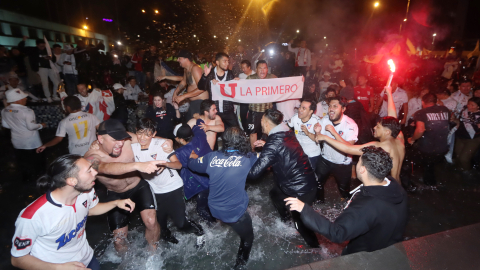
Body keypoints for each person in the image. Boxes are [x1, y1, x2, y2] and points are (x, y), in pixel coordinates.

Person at [11, 155, 135, 270]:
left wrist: (115, 203)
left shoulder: (86, 192)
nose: (96, 172)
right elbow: (17, 259)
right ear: (72, 181)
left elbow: (89, 210)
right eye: (89, 170)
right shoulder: (33, 216)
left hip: (88, 259)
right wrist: (60, 268)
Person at [285, 146, 408, 255]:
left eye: (358, 161)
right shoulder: (394, 185)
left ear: (362, 170)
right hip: (389, 244)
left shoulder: (367, 207)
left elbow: (337, 233)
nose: (356, 163)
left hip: (365, 255)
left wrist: (305, 209)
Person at [84, 119, 172, 253]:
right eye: (114, 139)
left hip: (138, 186)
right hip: (115, 194)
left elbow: (149, 138)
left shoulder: (127, 140)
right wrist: (137, 165)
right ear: (100, 139)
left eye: (121, 138)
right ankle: (125, 262)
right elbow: (103, 167)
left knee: (151, 221)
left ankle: (153, 253)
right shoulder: (92, 157)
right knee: (119, 240)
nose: (120, 143)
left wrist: (167, 142)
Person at [248, 109, 319, 248]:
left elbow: (253, 174)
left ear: (266, 122)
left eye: (261, 120)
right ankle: (286, 222)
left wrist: (236, 165)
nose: (260, 123)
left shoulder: (273, 143)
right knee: (274, 194)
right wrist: (267, 146)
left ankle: (317, 250)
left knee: (301, 225)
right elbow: (281, 147)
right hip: (303, 181)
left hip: (300, 189)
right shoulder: (286, 132)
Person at [189, 127, 258, 268]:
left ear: (224, 140)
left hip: (214, 208)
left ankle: (216, 226)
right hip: (234, 212)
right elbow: (265, 161)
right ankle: (239, 266)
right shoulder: (248, 158)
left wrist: (192, 156)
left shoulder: (211, 157)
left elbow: (192, 165)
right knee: (248, 239)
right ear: (242, 140)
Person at [132, 118, 204, 245]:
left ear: (153, 134)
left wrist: (164, 164)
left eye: (147, 134)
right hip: (154, 191)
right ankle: (171, 244)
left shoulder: (161, 145)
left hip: (173, 188)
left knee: (181, 223)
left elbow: (178, 164)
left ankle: (199, 231)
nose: (142, 137)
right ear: (136, 131)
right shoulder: (132, 147)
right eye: (140, 132)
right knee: (161, 227)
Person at [315, 86, 405, 184]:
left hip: (388, 187)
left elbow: (348, 149)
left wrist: (325, 137)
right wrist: (389, 93)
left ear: (387, 132)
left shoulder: (380, 146)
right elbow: (392, 118)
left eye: (378, 127)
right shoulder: (399, 139)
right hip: (398, 186)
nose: (374, 127)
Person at [313, 96, 359, 202]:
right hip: (325, 159)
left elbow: (349, 147)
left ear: (343, 109)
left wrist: (334, 132)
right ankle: (319, 202)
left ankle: (348, 205)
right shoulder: (325, 120)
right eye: (330, 106)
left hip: (342, 163)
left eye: (335, 106)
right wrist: (317, 132)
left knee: (344, 189)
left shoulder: (350, 125)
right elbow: (317, 140)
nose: (331, 109)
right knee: (317, 182)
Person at [173, 122, 215, 223]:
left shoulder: (180, 153)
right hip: (215, 176)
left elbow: (174, 163)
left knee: (201, 209)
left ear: (181, 140)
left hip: (202, 184)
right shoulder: (200, 135)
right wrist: (196, 117)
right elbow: (199, 123)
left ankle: (215, 227)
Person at [405, 93, 450, 186]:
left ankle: (427, 186)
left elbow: (420, 129)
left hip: (428, 147)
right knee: (431, 165)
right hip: (442, 146)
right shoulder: (445, 109)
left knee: (416, 163)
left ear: (422, 102)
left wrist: (412, 139)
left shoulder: (421, 112)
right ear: (436, 101)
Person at [2, 88, 46, 182]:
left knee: (23, 163)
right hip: (32, 143)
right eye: (24, 97)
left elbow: (5, 125)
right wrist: (41, 125)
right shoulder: (27, 111)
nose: (26, 99)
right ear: (18, 100)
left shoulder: (4, 110)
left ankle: (27, 181)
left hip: (17, 142)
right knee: (38, 164)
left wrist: (17, 126)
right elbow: (31, 127)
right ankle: (42, 182)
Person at [36, 96, 100, 156]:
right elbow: (101, 130)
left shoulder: (64, 122)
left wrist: (45, 145)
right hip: (92, 151)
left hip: (76, 153)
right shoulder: (92, 116)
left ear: (68, 107)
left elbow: (58, 139)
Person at [199, 52, 240, 129]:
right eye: (224, 61)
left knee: (235, 131)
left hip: (228, 110)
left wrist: (237, 82)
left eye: (228, 61)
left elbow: (234, 91)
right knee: (214, 133)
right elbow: (201, 87)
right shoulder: (210, 74)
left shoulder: (230, 74)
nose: (227, 63)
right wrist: (205, 76)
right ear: (217, 62)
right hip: (215, 111)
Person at [18, 37, 60, 103]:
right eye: (41, 46)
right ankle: (48, 97)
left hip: (50, 67)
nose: (42, 47)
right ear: (37, 45)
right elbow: (21, 49)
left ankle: (54, 95)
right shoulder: (33, 50)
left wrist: (50, 58)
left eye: (43, 46)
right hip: (41, 68)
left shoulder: (48, 49)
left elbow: (54, 59)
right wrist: (23, 40)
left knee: (56, 83)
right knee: (45, 83)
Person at [246, 60, 278, 149]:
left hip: (268, 111)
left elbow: (285, 84)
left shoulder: (272, 78)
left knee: (269, 132)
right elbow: (240, 88)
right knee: (253, 133)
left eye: (264, 68)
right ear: (256, 69)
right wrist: (236, 81)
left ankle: (268, 152)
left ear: (267, 69)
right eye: (260, 68)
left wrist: (298, 81)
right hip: (254, 111)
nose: (262, 70)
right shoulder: (250, 78)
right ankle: (253, 154)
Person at [170, 50, 208, 120]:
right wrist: (175, 93)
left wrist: (183, 96)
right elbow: (184, 81)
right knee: (189, 124)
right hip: (194, 102)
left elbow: (202, 88)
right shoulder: (186, 69)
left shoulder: (195, 68)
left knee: (195, 126)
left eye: (179, 58)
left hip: (200, 103)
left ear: (186, 58)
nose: (177, 60)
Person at [287, 99, 322, 170]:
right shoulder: (295, 117)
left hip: (312, 155)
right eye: (300, 107)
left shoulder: (316, 121)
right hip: (299, 154)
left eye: (304, 108)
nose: (300, 110)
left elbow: (318, 140)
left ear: (310, 112)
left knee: (312, 177)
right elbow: (286, 128)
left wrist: (308, 133)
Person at [453, 97, 480, 175]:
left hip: (473, 139)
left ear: (478, 106)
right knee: (457, 156)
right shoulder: (464, 111)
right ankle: (460, 171)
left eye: (473, 105)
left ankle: (468, 173)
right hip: (460, 136)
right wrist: (454, 119)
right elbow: (460, 121)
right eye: (469, 104)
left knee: (464, 159)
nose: (469, 106)